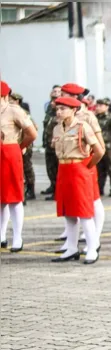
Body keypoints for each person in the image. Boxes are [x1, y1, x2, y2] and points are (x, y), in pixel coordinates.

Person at [50, 97, 104, 264]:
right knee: (68, 212)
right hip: (64, 170)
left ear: (74, 110)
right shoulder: (57, 128)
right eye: (58, 109)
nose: (59, 112)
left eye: (63, 109)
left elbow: (99, 151)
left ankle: (92, 248)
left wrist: (87, 166)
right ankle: (71, 248)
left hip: (79, 168)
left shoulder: (83, 127)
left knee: (84, 212)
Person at [0, 81, 37, 252]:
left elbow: (32, 133)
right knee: (1, 198)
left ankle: (17, 237)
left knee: (14, 196)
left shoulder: (14, 110)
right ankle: (1, 235)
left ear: (5, 95)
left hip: (9, 152)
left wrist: (18, 147)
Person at [95, 98, 111, 197]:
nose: (98, 108)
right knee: (100, 169)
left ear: (107, 107)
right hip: (98, 147)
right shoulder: (95, 117)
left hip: (110, 147)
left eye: (101, 106)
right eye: (97, 105)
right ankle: (99, 188)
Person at [41, 86, 62, 200]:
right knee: (50, 168)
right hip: (48, 143)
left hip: (57, 145)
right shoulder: (49, 109)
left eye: (58, 92)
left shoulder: (61, 112)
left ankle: (57, 191)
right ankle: (53, 186)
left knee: (57, 168)